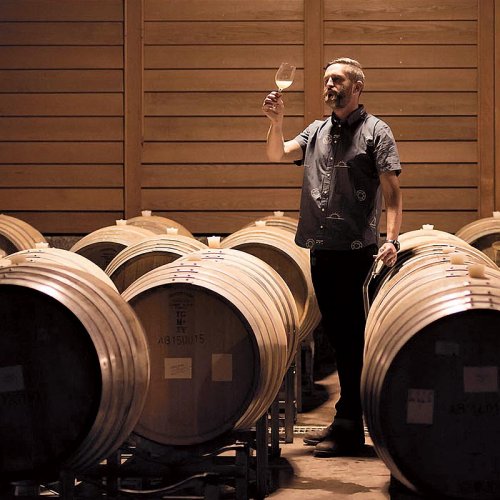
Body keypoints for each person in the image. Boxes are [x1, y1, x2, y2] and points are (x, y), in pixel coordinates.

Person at [262, 58, 402, 457]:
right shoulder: (316, 131)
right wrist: (276, 122)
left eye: (336, 80)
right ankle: (344, 420)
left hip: (356, 252)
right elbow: (276, 154)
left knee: (352, 342)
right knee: (339, 342)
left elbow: (393, 194)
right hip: (320, 249)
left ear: (356, 87)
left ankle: (351, 428)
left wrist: (391, 240)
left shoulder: (377, 131)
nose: (328, 86)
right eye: (326, 80)